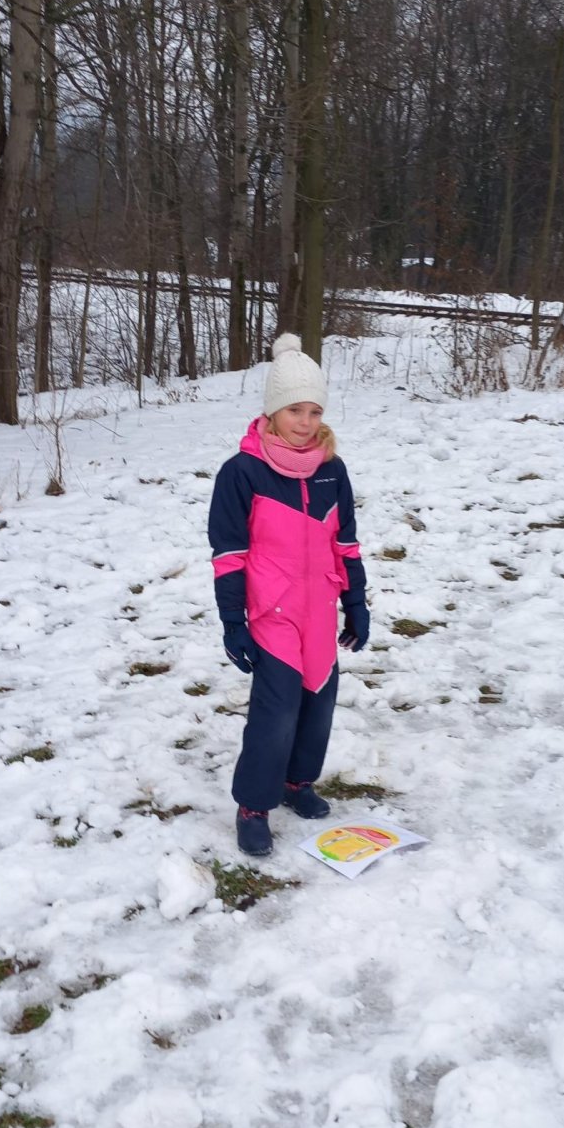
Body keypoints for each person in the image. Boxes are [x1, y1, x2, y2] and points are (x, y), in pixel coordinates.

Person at [208, 333, 369, 858]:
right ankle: (254, 805)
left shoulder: (331, 470)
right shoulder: (242, 473)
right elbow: (229, 554)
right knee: (276, 710)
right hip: (271, 611)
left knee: (319, 698)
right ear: (272, 412)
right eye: (295, 410)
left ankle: (297, 782)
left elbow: (345, 542)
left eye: (315, 411)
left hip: (319, 606)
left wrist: (356, 603)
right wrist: (233, 622)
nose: (305, 421)